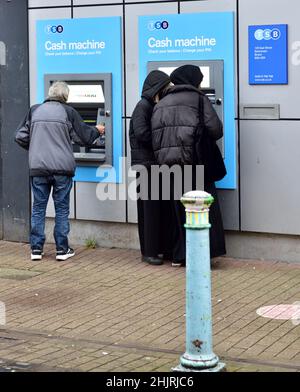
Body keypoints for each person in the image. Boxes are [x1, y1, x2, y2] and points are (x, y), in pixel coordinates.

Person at [15, 81, 105, 261]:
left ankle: (36, 249)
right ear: (65, 96)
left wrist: (36, 148)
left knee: (38, 208)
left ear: (49, 94)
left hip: (39, 168)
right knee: (62, 208)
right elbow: (84, 137)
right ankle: (62, 250)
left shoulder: (35, 110)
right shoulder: (68, 112)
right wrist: (97, 130)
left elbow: (20, 136)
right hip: (62, 169)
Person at [151, 64, 226, 267]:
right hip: (196, 164)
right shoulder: (200, 100)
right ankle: (203, 256)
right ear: (194, 81)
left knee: (177, 211)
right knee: (203, 208)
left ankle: (179, 256)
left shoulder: (161, 103)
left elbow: (155, 138)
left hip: (169, 167)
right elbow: (216, 130)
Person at [129, 70, 171, 266]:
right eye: (164, 88)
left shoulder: (149, 106)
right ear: (157, 88)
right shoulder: (143, 107)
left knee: (154, 209)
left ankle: (156, 248)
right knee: (149, 211)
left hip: (151, 165)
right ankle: (149, 251)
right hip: (146, 166)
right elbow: (142, 134)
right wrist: (162, 138)